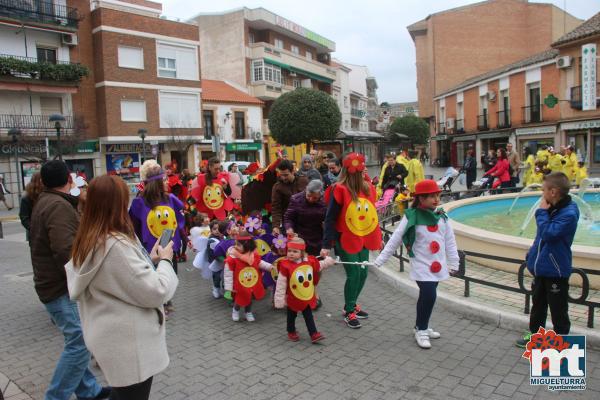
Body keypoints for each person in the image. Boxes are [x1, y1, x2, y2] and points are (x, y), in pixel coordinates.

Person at [65, 175, 178, 400]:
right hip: (128, 345)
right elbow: (156, 291)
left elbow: (119, 279)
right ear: (116, 204)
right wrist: (165, 260)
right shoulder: (114, 244)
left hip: (111, 338)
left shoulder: (90, 237)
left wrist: (151, 260)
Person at [29, 160, 110, 400]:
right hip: (59, 288)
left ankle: (89, 391)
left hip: (52, 285)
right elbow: (66, 250)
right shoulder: (57, 206)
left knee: (76, 340)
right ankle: (56, 396)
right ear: (69, 180)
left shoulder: (47, 202)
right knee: (80, 343)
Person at [374, 179, 459, 348]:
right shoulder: (411, 217)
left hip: (437, 265)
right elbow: (396, 238)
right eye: (431, 196)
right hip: (421, 265)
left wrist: (454, 263)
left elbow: (450, 241)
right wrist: (381, 260)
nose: (436, 199)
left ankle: (420, 326)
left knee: (426, 297)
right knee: (429, 295)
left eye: (437, 195)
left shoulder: (442, 217)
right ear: (420, 198)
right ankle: (421, 329)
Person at [516, 172, 580, 348]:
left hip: (556, 270)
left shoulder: (569, 213)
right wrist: (531, 256)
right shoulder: (553, 209)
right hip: (542, 268)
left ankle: (562, 341)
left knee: (558, 310)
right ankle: (536, 336)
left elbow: (549, 234)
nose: (541, 193)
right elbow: (540, 239)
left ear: (553, 192)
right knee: (538, 306)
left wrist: (542, 213)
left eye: (544, 190)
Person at [322, 153, 382, 329]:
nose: (364, 172)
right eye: (360, 170)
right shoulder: (339, 189)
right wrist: (326, 244)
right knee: (354, 273)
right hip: (345, 238)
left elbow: (372, 214)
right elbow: (330, 218)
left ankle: (352, 304)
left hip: (362, 237)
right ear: (351, 172)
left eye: (364, 169)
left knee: (363, 273)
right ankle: (349, 311)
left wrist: (378, 237)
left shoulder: (368, 188)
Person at [129, 160, 185, 315]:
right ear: (158, 182)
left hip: (168, 244)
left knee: (169, 273)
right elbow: (133, 226)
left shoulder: (170, 199)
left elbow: (178, 219)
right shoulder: (139, 202)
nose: (167, 182)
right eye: (164, 179)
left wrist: (180, 237)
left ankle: (167, 300)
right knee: (154, 276)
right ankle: (159, 304)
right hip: (150, 248)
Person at [273, 236, 335, 343]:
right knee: (291, 315)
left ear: (302, 253)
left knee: (308, 315)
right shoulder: (285, 265)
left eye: (295, 251)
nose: (291, 254)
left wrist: (328, 261)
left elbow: (319, 265)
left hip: (305, 296)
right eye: (290, 251)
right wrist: (279, 299)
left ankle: (314, 334)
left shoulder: (309, 262)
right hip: (293, 297)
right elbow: (281, 283)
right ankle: (291, 331)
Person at [223, 230, 274, 321]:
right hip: (239, 284)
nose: (236, 246)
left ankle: (248, 312)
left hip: (251, 283)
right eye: (236, 244)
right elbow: (228, 273)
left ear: (247, 246)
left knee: (249, 299)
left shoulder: (253, 255)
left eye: (239, 245)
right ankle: (236, 310)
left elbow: (259, 263)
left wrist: (269, 267)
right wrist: (228, 287)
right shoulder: (233, 258)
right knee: (239, 299)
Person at [284, 180, 327, 257]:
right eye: (308, 195)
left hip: (317, 237)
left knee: (316, 263)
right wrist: (289, 228)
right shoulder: (296, 199)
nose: (310, 199)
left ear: (320, 195)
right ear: (306, 190)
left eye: (315, 198)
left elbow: (329, 219)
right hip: (299, 236)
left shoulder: (325, 201)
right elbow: (288, 217)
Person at [271, 160, 309, 236]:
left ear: (293, 171)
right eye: (281, 175)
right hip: (288, 223)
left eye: (286, 175)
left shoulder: (303, 181)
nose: (283, 178)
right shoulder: (277, 187)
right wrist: (276, 226)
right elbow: (276, 208)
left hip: (305, 221)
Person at [19, 172, 44, 241]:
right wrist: (34, 229)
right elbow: (24, 218)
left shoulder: (45, 194)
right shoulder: (27, 198)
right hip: (35, 234)